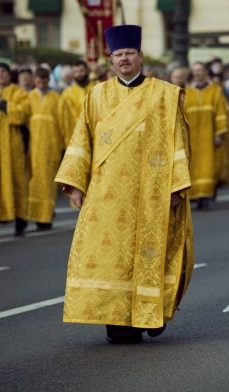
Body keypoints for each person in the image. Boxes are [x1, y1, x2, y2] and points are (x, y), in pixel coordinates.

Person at [54, 24, 194, 344]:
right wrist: (75, 184)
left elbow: (178, 141)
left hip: (152, 191)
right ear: (110, 59)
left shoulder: (164, 94)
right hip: (107, 193)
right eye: (118, 54)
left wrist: (176, 186)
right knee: (110, 260)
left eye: (130, 53)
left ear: (140, 56)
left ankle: (152, 312)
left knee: (150, 255)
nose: (124, 59)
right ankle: (116, 322)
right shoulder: (97, 95)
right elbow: (82, 141)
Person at [185, 61, 229, 210]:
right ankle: (193, 195)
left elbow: (221, 113)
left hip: (208, 136)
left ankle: (205, 195)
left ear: (205, 72)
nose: (198, 73)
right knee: (192, 166)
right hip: (192, 138)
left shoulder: (215, 91)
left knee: (208, 166)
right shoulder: (187, 93)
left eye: (200, 70)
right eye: (195, 70)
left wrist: (219, 133)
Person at [26, 67, 64, 231]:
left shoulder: (57, 98)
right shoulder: (29, 97)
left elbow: (65, 123)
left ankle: (46, 216)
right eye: (39, 82)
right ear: (35, 81)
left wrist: (66, 146)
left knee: (48, 183)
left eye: (44, 81)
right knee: (34, 182)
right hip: (33, 148)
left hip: (51, 147)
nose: (41, 85)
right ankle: (36, 217)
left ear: (49, 80)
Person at [0, 61, 30, 237]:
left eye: (3, 72)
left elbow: (23, 114)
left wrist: (6, 106)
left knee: (17, 181)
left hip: (12, 145)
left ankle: (20, 220)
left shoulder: (18, 92)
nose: (1, 75)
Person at [59, 60, 96, 147]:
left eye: (81, 71)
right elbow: (66, 117)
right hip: (75, 137)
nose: (79, 74)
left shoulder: (97, 87)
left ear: (87, 71)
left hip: (95, 135)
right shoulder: (67, 93)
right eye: (76, 72)